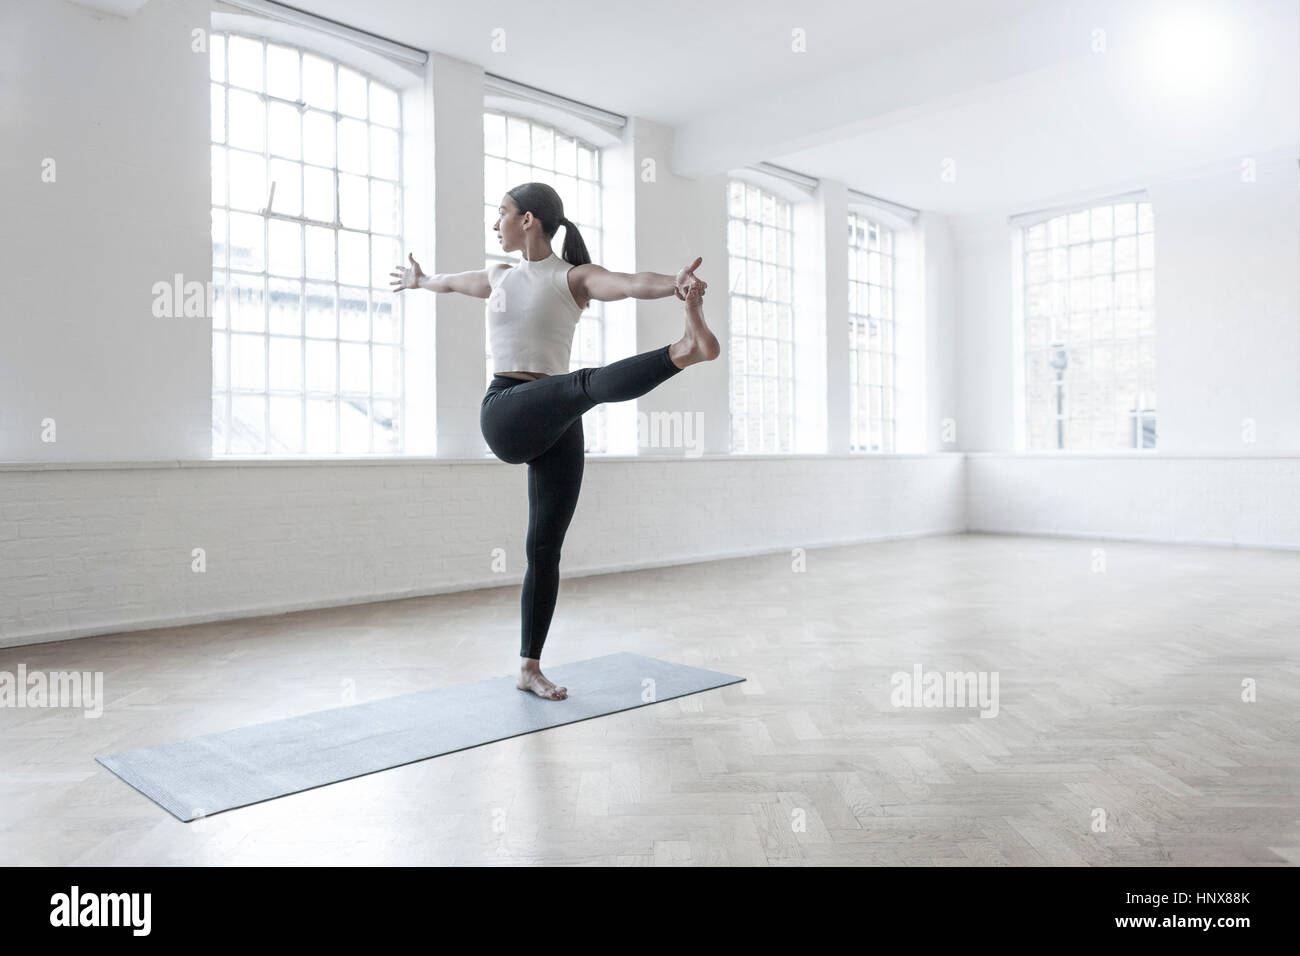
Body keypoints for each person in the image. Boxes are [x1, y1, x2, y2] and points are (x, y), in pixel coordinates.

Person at [391, 182, 719, 700]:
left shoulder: (574, 278)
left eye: (501, 213)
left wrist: (675, 285)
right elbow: (452, 283)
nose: (494, 222)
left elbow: (631, 283)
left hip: (557, 420)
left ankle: (528, 667)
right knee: (584, 385)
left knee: (544, 549)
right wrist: (421, 280)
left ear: (528, 220)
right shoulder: (499, 274)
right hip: (506, 412)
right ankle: (683, 350)